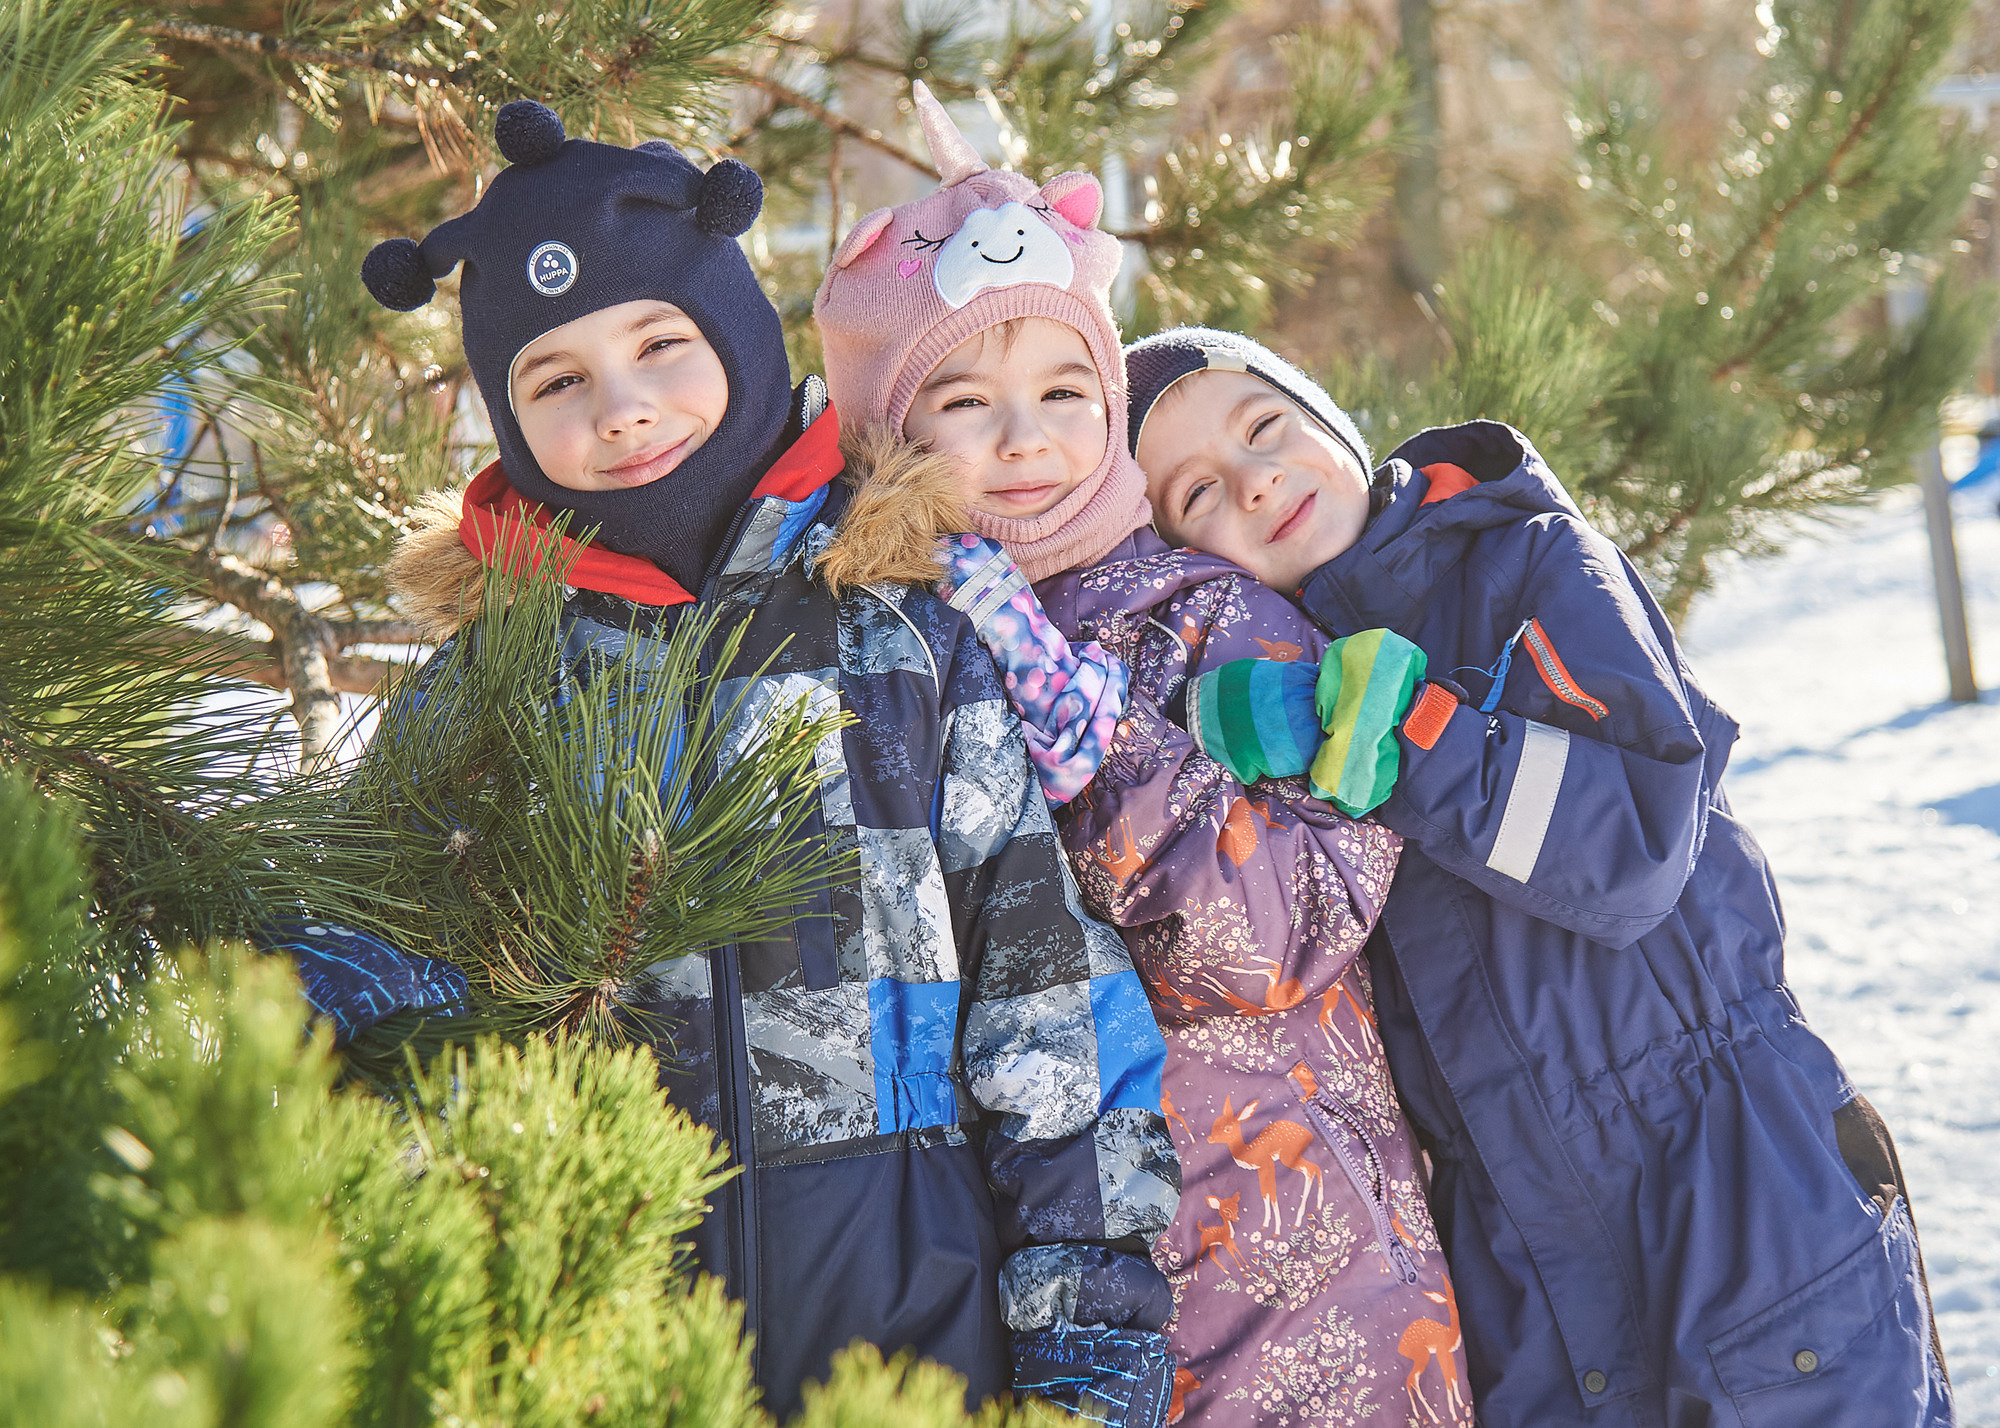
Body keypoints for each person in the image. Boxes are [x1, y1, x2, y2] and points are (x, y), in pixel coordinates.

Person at [289, 101, 1185, 1425]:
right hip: (608, 1342)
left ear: (738, 332)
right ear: (508, 421)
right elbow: (373, 996)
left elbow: (1042, 989)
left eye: (661, 344)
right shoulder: (491, 689)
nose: (624, 408)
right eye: (556, 381)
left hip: (915, 1329)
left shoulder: (901, 636)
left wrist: (1088, 1329)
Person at [1119, 325, 1956, 1427]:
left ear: (1330, 419)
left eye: (1264, 426)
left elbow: (1635, 851)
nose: (1254, 480)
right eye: (1197, 493)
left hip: (1733, 1180)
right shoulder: (1274, 705)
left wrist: (1401, 732)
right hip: (1515, 1255)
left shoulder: (1526, 563)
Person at [814, 86, 1472, 1426]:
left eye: (1064, 391)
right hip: (1032, 1289)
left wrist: (1102, 744)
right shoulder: (882, 653)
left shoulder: (1206, 617)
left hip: (1300, 1278)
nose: (1028, 438)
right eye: (966, 402)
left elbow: (1292, 928)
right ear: (889, 427)